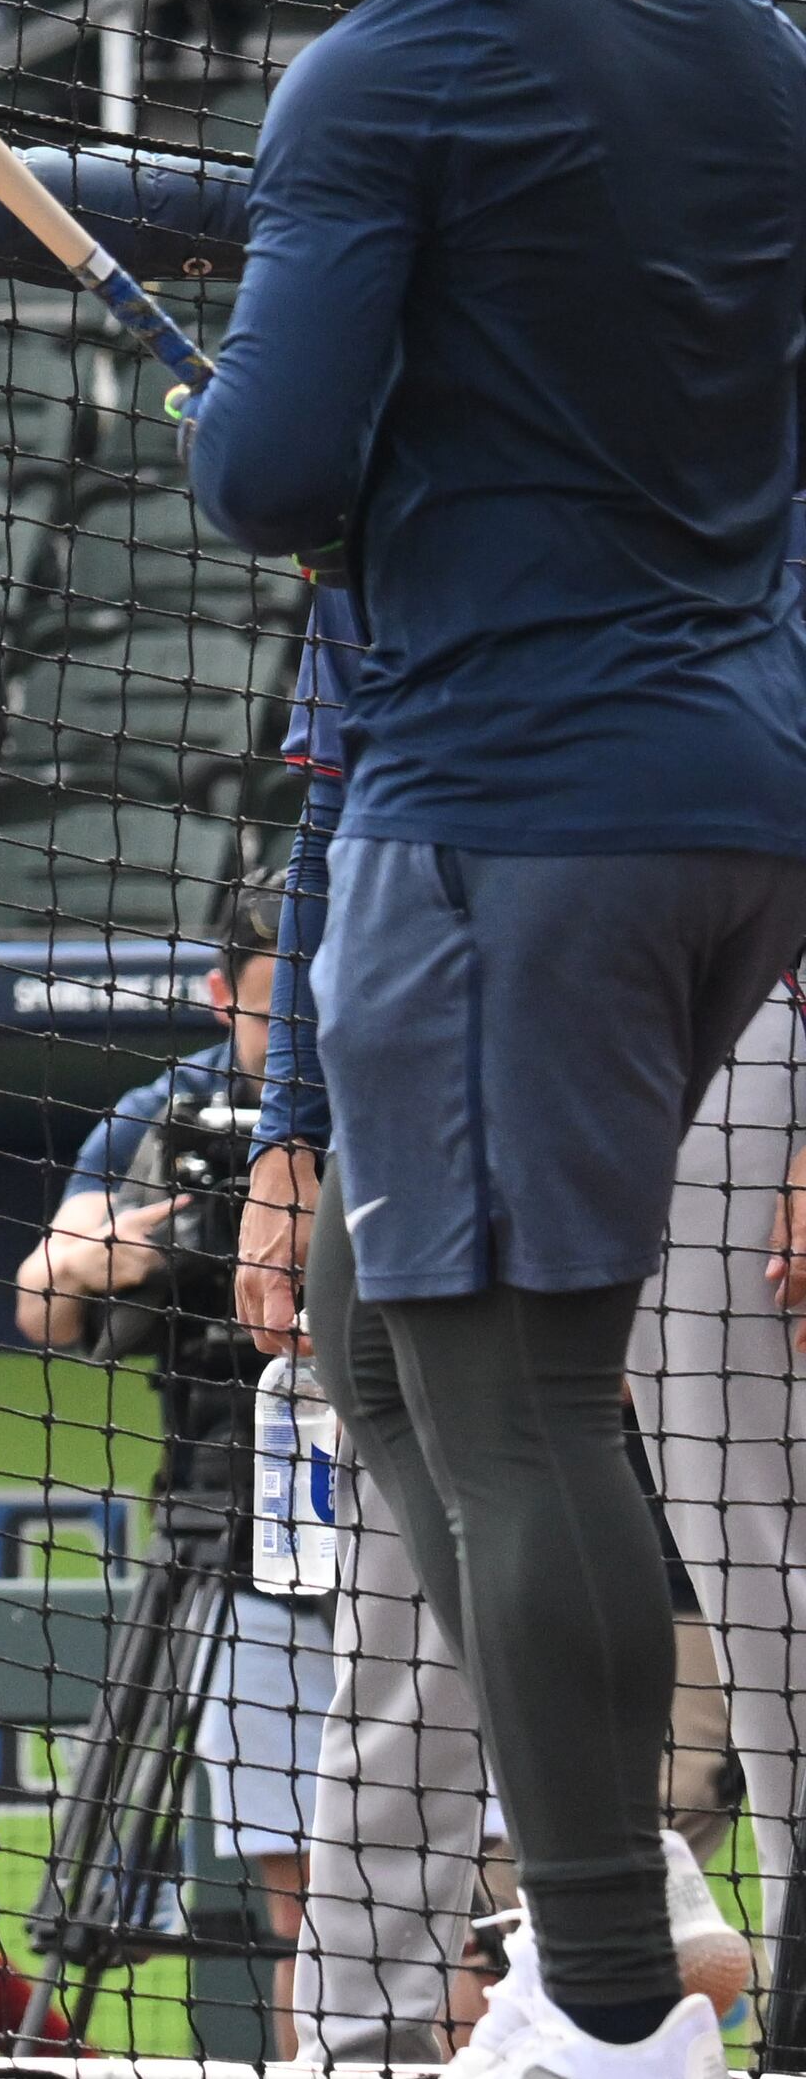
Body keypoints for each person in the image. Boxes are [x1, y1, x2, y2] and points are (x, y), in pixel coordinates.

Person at [193, 0, 806, 2079]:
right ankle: (616, 1854)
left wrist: (254, 420)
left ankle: (589, 2000)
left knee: (525, 1381)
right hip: (732, 789)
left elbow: (265, 477)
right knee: (371, 1327)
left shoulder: (387, 69)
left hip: (507, 809)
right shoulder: (749, 39)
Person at [241, 590, 777, 2061]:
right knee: (394, 1484)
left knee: (761, 1559)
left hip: (713, 958)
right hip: (441, 955)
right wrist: (287, 1127)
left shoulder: (720, 390)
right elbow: (333, 807)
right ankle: (385, 2028)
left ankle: (649, 1967)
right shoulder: (405, 447)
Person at [10, 886, 328, 2058]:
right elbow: (43, 1296)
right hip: (236, 1526)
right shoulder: (169, 1112)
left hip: (427, 1521)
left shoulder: (408, 1072)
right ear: (219, 996)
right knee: (308, 1898)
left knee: (471, 1888)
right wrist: (127, 1245)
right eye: (269, 1018)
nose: (296, 1044)